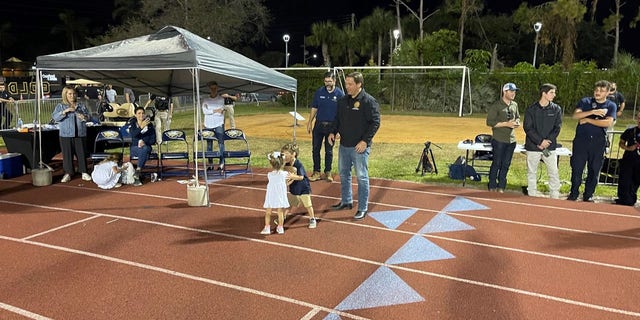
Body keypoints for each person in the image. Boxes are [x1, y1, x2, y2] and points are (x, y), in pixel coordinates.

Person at [328, 72, 381, 221]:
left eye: (350, 84)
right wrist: (333, 131)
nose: (347, 87)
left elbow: (375, 123)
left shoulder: (368, 101)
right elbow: (337, 119)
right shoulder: (342, 101)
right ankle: (346, 201)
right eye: (346, 84)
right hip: (344, 145)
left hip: (360, 148)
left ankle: (362, 208)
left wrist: (365, 141)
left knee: (362, 178)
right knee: (344, 174)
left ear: (359, 84)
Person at [568, 80, 617, 202]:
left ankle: (588, 194)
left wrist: (588, 120)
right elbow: (576, 116)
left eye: (601, 91)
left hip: (598, 142)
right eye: (596, 90)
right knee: (577, 168)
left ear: (608, 92)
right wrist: (592, 112)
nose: (598, 92)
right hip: (581, 141)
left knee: (594, 170)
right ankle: (573, 193)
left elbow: (608, 122)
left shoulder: (611, 106)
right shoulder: (586, 102)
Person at [523, 83, 563, 199]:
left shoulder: (556, 109)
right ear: (544, 93)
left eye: (554, 92)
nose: (554, 95)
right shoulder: (531, 109)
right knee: (532, 173)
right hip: (533, 147)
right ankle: (532, 195)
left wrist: (547, 142)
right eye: (552, 92)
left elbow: (557, 128)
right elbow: (528, 128)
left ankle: (554, 196)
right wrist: (540, 142)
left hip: (549, 148)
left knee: (553, 172)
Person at [307, 71, 345, 182]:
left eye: (330, 81)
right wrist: (310, 122)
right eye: (326, 81)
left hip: (332, 128)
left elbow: (342, 113)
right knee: (315, 149)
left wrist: (339, 130)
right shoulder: (319, 92)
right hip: (318, 126)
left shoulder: (340, 94)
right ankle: (316, 172)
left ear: (334, 81)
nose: (328, 83)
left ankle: (328, 172)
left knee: (329, 151)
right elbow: (314, 108)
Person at [51, 85, 93, 183]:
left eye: (74, 93)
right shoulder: (60, 106)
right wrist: (64, 112)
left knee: (81, 153)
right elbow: (55, 117)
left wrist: (84, 117)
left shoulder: (81, 105)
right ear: (65, 94)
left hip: (80, 133)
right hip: (66, 134)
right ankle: (68, 173)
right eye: (69, 94)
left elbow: (89, 117)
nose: (72, 96)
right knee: (67, 155)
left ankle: (83, 171)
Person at [486, 83, 521, 193]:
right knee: (497, 163)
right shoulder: (496, 105)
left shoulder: (514, 104)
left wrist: (517, 122)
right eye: (511, 91)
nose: (513, 93)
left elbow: (518, 117)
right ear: (504, 92)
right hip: (499, 140)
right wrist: (506, 124)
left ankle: (501, 185)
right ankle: (492, 185)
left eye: (514, 91)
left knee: (506, 164)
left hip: (511, 140)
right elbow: (490, 122)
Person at [281, 143, 317, 229]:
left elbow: (301, 177)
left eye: (286, 154)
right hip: (294, 188)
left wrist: (293, 177)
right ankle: (283, 217)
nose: (284, 156)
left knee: (308, 205)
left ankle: (312, 218)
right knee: (289, 204)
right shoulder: (286, 164)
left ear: (293, 154)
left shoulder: (298, 164)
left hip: (303, 188)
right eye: (283, 154)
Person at [614, 113, 640, 206]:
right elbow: (621, 143)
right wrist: (629, 148)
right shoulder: (630, 131)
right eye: (639, 118)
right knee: (625, 180)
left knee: (636, 181)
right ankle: (623, 199)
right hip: (628, 159)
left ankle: (631, 198)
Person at [261, 151, 290, 235]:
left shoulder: (269, 174)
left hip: (271, 195)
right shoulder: (284, 174)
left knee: (268, 212)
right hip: (280, 195)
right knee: (280, 212)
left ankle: (267, 227)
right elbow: (289, 178)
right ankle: (280, 227)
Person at [128, 106, 157, 186]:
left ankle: (137, 172)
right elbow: (133, 135)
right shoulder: (132, 124)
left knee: (144, 148)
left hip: (147, 146)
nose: (141, 115)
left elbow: (153, 140)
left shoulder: (150, 125)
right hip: (135, 148)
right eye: (139, 113)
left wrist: (144, 142)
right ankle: (139, 173)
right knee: (144, 152)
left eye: (143, 113)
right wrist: (141, 127)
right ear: (135, 115)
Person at [202, 81, 226, 171]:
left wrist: (211, 110)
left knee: (221, 144)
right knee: (209, 145)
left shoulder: (221, 99)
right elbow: (205, 111)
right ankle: (210, 164)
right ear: (209, 89)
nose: (213, 90)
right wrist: (215, 110)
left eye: (215, 88)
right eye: (212, 88)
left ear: (217, 88)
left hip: (218, 124)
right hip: (208, 124)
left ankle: (221, 163)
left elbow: (220, 113)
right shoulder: (205, 99)